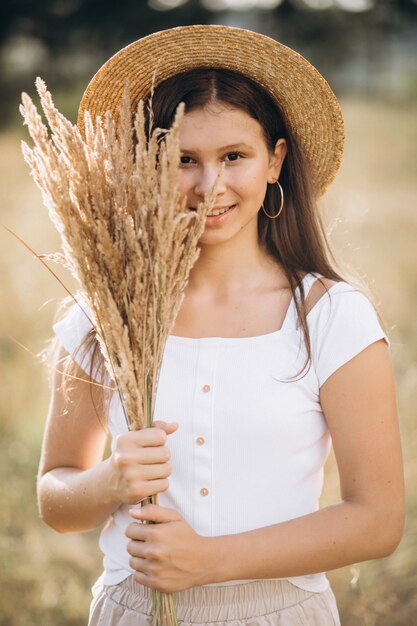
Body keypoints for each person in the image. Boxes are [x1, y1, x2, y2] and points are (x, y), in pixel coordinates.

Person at [37, 25, 405, 626]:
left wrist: (209, 561)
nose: (211, 186)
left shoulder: (332, 316)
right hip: (132, 610)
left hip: (283, 613)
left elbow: (378, 519)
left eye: (234, 156)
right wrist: (107, 481)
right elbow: (56, 499)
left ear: (275, 160)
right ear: (146, 166)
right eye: (183, 160)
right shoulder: (103, 312)